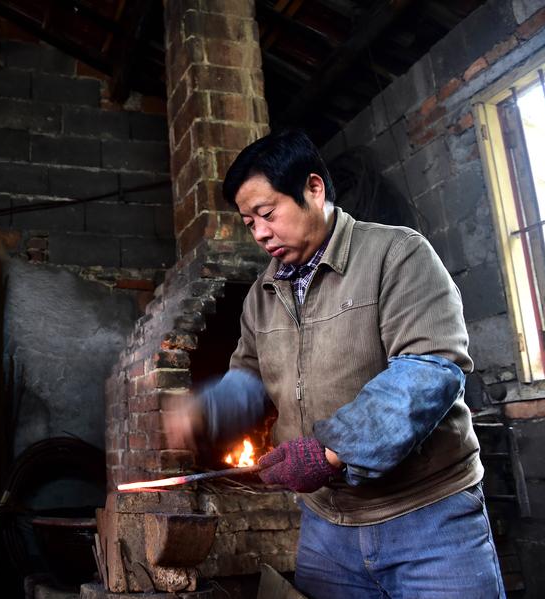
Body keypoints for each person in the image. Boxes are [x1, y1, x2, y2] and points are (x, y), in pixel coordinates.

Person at [164, 130, 504, 598]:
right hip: (328, 530)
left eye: (267, 213)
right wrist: (207, 407)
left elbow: (428, 371)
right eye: (249, 222)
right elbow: (249, 378)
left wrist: (331, 452)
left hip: (429, 518)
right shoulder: (261, 299)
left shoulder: (397, 254)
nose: (260, 232)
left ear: (314, 188)